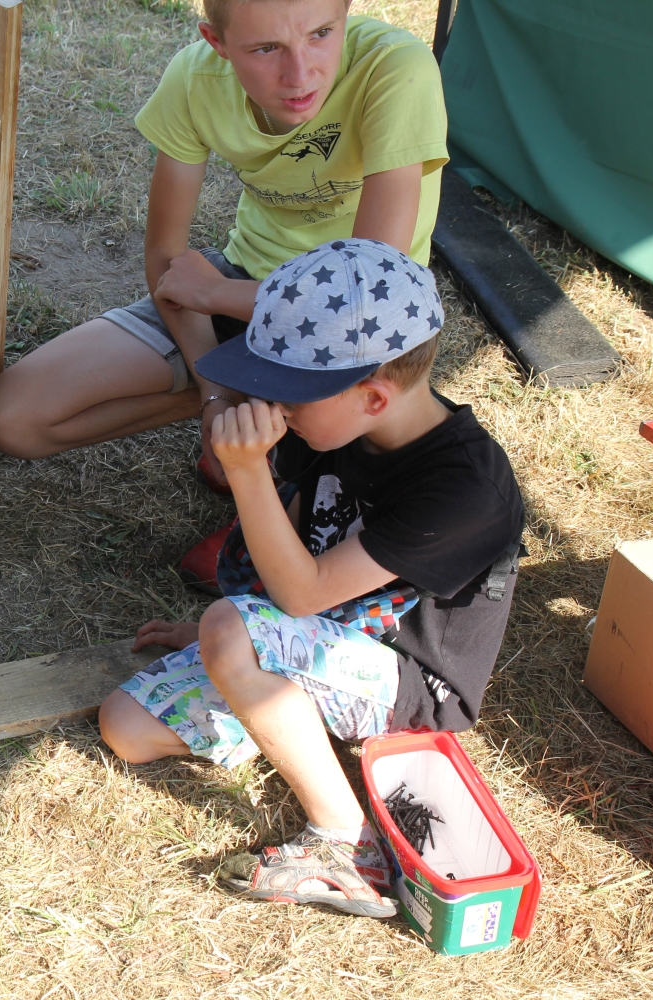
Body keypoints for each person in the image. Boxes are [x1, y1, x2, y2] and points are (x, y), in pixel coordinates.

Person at [97, 239, 524, 918]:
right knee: (125, 727)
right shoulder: (332, 426)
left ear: (374, 396)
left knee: (230, 629)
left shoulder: (467, 490)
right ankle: (282, 713)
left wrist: (245, 475)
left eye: (289, 394)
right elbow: (282, 566)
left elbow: (299, 594)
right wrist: (235, 644)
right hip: (316, 637)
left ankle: (345, 842)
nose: (273, 405)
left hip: (407, 685)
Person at [0, 0, 447, 584]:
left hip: (352, 338)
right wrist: (214, 392)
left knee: (340, 417)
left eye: (322, 34)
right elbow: (166, 258)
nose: (300, 73)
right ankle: (253, 416)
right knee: (13, 418)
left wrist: (219, 296)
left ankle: (272, 486)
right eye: (266, 48)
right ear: (216, 42)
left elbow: (366, 298)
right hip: (240, 282)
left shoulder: (395, 68)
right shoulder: (194, 77)